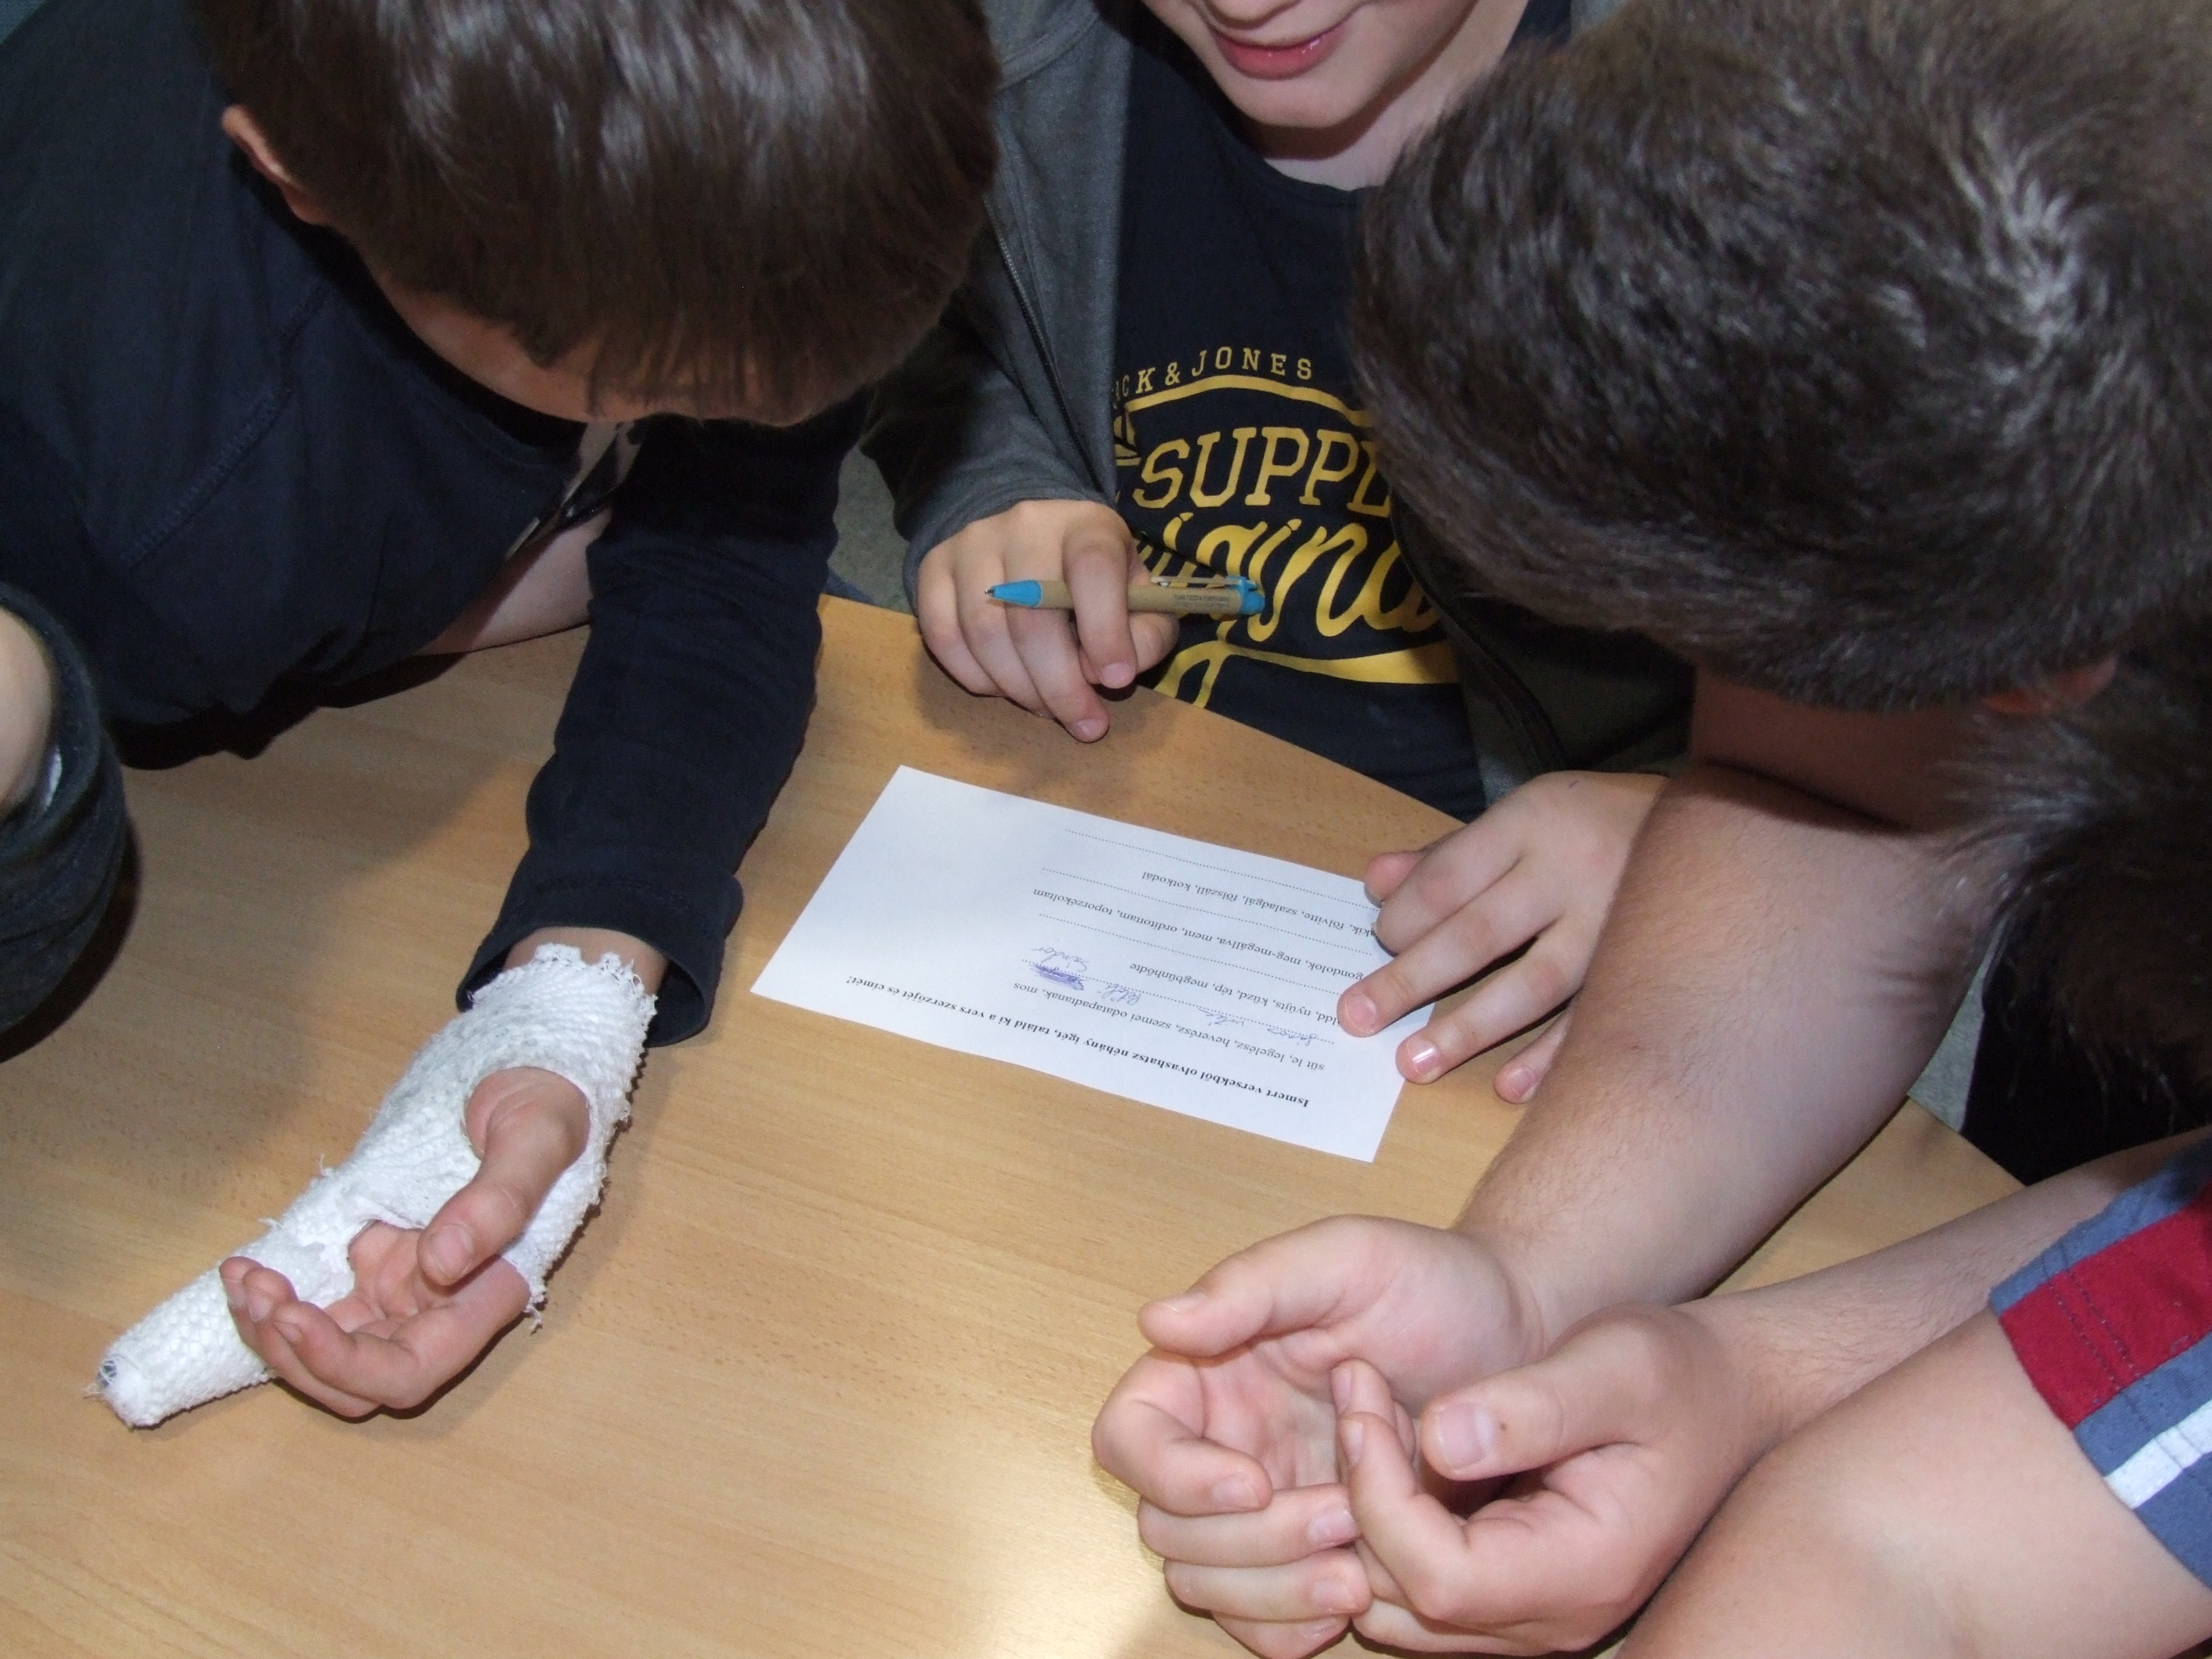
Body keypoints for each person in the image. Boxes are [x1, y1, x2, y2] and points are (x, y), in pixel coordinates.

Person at [1088, 0, 2212, 1650]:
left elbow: (1919, 1543)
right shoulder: (1925, 334)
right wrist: (1544, 1294)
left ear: (2049, 674)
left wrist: (1779, 1416)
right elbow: (1828, 803)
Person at [0, 0, 995, 1417]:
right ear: (300, 185)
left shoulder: (775, 162)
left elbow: (728, 551)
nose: (760, 424)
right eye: (656, 385)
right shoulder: (188, 518)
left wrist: (570, 1000)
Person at [864, 0, 1691, 1094]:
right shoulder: (1001, 63)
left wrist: (1704, 832)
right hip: (1113, 852)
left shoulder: (1757, 136)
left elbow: (1896, 711)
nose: (1247, 3)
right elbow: (923, 335)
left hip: (1531, 963)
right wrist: (997, 484)